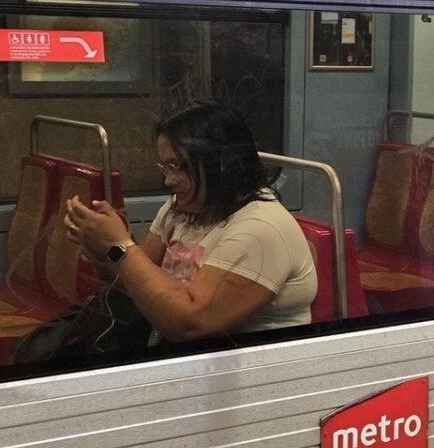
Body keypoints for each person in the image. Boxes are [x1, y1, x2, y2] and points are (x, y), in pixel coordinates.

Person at [64, 101, 318, 341]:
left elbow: (189, 324)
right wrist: (101, 250)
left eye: (178, 166)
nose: (169, 180)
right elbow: (136, 283)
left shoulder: (260, 229)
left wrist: (118, 246)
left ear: (220, 165)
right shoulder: (182, 208)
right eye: (166, 167)